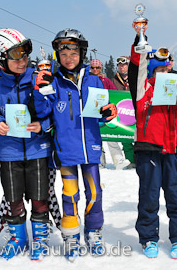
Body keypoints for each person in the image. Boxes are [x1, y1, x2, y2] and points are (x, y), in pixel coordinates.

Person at [33, 28, 117, 261]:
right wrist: (40, 92)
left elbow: (99, 112)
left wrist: (107, 113)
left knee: (94, 193)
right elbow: (43, 112)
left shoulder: (95, 79)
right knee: (70, 194)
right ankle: (71, 236)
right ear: (57, 55)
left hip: (91, 148)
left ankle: (93, 231)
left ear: (82, 53)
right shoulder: (55, 82)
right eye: (63, 53)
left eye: (74, 52)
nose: (69, 57)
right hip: (66, 150)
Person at [129, 25, 177, 259]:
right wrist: (140, 38)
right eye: (159, 71)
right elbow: (136, 67)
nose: (163, 75)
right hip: (148, 151)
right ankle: (148, 238)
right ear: (151, 72)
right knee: (148, 197)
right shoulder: (141, 89)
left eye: (167, 69)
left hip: (172, 152)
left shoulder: (173, 88)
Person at [0, 28, 53, 261]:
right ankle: (18, 238)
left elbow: (53, 110)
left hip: (37, 149)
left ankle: (40, 238)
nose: (23, 60)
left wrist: (42, 125)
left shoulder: (39, 77)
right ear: (0, 58)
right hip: (9, 151)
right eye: (16, 55)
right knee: (13, 198)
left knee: (39, 197)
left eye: (25, 53)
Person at [90, 59, 130, 169]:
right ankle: (99, 161)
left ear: (101, 68)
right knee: (95, 137)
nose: (95, 70)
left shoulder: (105, 80)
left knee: (110, 135)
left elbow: (114, 93)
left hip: (105, 111)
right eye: (93, 68)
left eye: (97, 68)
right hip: (92, 111)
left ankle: (118, 160)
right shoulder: (86, 79)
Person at [112, 56, 135, 167]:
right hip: (122, 114)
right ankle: (130, 160)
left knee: (138, 138)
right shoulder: (114, 80)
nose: (122, 67)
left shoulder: (135, 77)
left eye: (124, 65)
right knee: (125, 138)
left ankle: (140, 160)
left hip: (135, 112)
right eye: (120, 65)